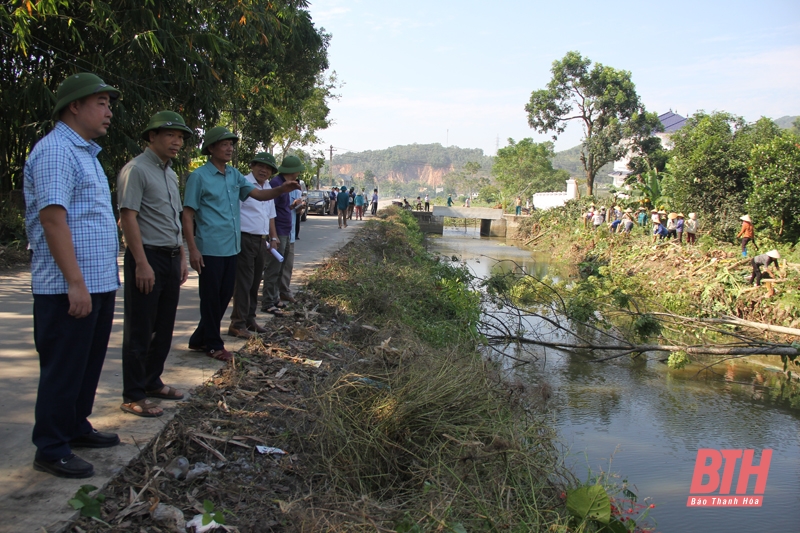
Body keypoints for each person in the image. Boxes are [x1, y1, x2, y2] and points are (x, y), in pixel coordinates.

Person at [24, 72, 122, 478]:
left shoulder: (87, 154)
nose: (109, 111)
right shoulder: (55, 152)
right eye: (101, 102)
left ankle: (75, 426)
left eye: (108, 103)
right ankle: (50, 447)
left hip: (97, 282)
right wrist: (75, 283)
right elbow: (53, 220)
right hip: (68, 286)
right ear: (74, 106)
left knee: (86, 364)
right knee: (63, 367)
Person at [183, 127, 298, 362]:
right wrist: (192, 249)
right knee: (211, 297)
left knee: (225, 295)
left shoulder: (234, 175)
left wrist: (280, 189)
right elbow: (187, 214)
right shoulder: (199, 176)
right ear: (211, 148)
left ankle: (198, 338)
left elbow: (259, 195)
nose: (229, 148)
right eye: (223, 144)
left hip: (232, 246)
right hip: (210, 247)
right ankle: (213, 344)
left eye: (231, 144)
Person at [117, 110, 193, 418]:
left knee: (163, 327)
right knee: (140, 328)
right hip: (146, 257)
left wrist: (183, 255)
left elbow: (172, 219)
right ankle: (133, 394)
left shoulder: (170, 173)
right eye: (170, 136)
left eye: (181, 138)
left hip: (171, 257)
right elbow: (128, 217)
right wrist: (141, 263)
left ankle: (152, 381)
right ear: (152, 137)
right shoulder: (136, 170)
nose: (177, 142)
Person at [228, 153, 279, 340]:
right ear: (253, 166)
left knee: (256, 281)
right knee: (243, 282)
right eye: (260, 166)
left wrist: (273, 237)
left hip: (261, 240)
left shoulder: (268, 187)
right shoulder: (244, 184)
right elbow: (234, 212)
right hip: (245, 237)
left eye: (268, 168)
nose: (264, 170)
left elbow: (270, 215)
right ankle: (237, 323)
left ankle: (249, 319)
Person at [261, 155, 305, 315]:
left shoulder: (286, 185)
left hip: (285, 231)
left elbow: (281, 207)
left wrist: (293, 206)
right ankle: (267, 302)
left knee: (280, 268)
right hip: (278, 231)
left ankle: (274, 298)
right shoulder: (276, 184)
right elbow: (270, 211)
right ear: (293, 170)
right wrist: (273, 236)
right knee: (273, 268)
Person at [281, 174, 304, 305]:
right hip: (279, 231)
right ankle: (271, 295)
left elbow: (297, 212)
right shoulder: (279, 188)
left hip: (290, 232)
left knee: (287, 265)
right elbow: (277, 210)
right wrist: (292, 206)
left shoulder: (297, 191)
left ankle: (284, 291)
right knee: (274, 266)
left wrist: (299, 207)